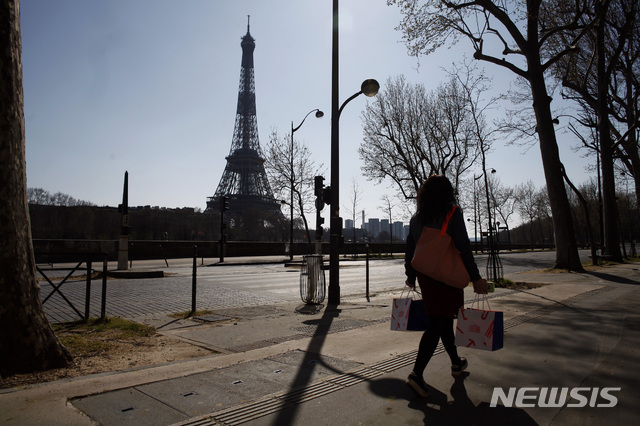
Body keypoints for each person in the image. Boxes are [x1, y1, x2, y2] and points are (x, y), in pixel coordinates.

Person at [404, 175, 487, 398]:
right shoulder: (452, 212)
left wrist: (410, 276)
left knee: (442, 319)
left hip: (426, 276)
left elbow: (410, 250)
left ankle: (456, 363)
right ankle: (416, 374)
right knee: (438, 322)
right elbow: (463, 248)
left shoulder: (416, 218)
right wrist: (475, 277)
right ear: (447, 193)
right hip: (447, 275)